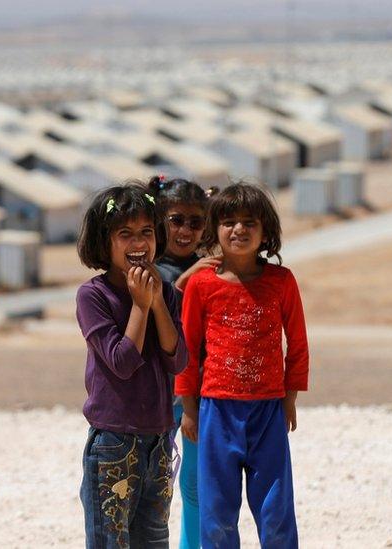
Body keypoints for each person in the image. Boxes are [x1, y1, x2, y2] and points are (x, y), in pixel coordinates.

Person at [175, 183, 309, 548]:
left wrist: (290, 398)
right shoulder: (202, 285)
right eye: (229, 221)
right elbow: (187, 350)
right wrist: (189, 409)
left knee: (276, 511)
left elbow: (296, 345)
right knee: (217, 514)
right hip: (216, 410)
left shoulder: (282, 282)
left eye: (249, 222)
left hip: (268, 410)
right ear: (215, 229)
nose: (239, 229)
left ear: (266, 231)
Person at [76, 183, 189, 548]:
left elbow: (179, 359)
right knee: (112, 540)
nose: (138, 243)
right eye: (125, 234)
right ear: (104, 242)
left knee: (154, 539)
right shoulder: (93, 296)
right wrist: (140, 306)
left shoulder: (167, 292)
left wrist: (156, 302)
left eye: (146, 232)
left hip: (158, 438)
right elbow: (123, 362)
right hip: (113, 441)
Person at [147, 175, 217, 549]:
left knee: (195, 485)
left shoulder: (208, 270)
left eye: (195, 221)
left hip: (198, 396)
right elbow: (165, 301)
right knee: (156, 487)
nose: (186, 230)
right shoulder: (150, 268)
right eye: (176, 220)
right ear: (160, 220)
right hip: (158, 398)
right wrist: (195, 272)